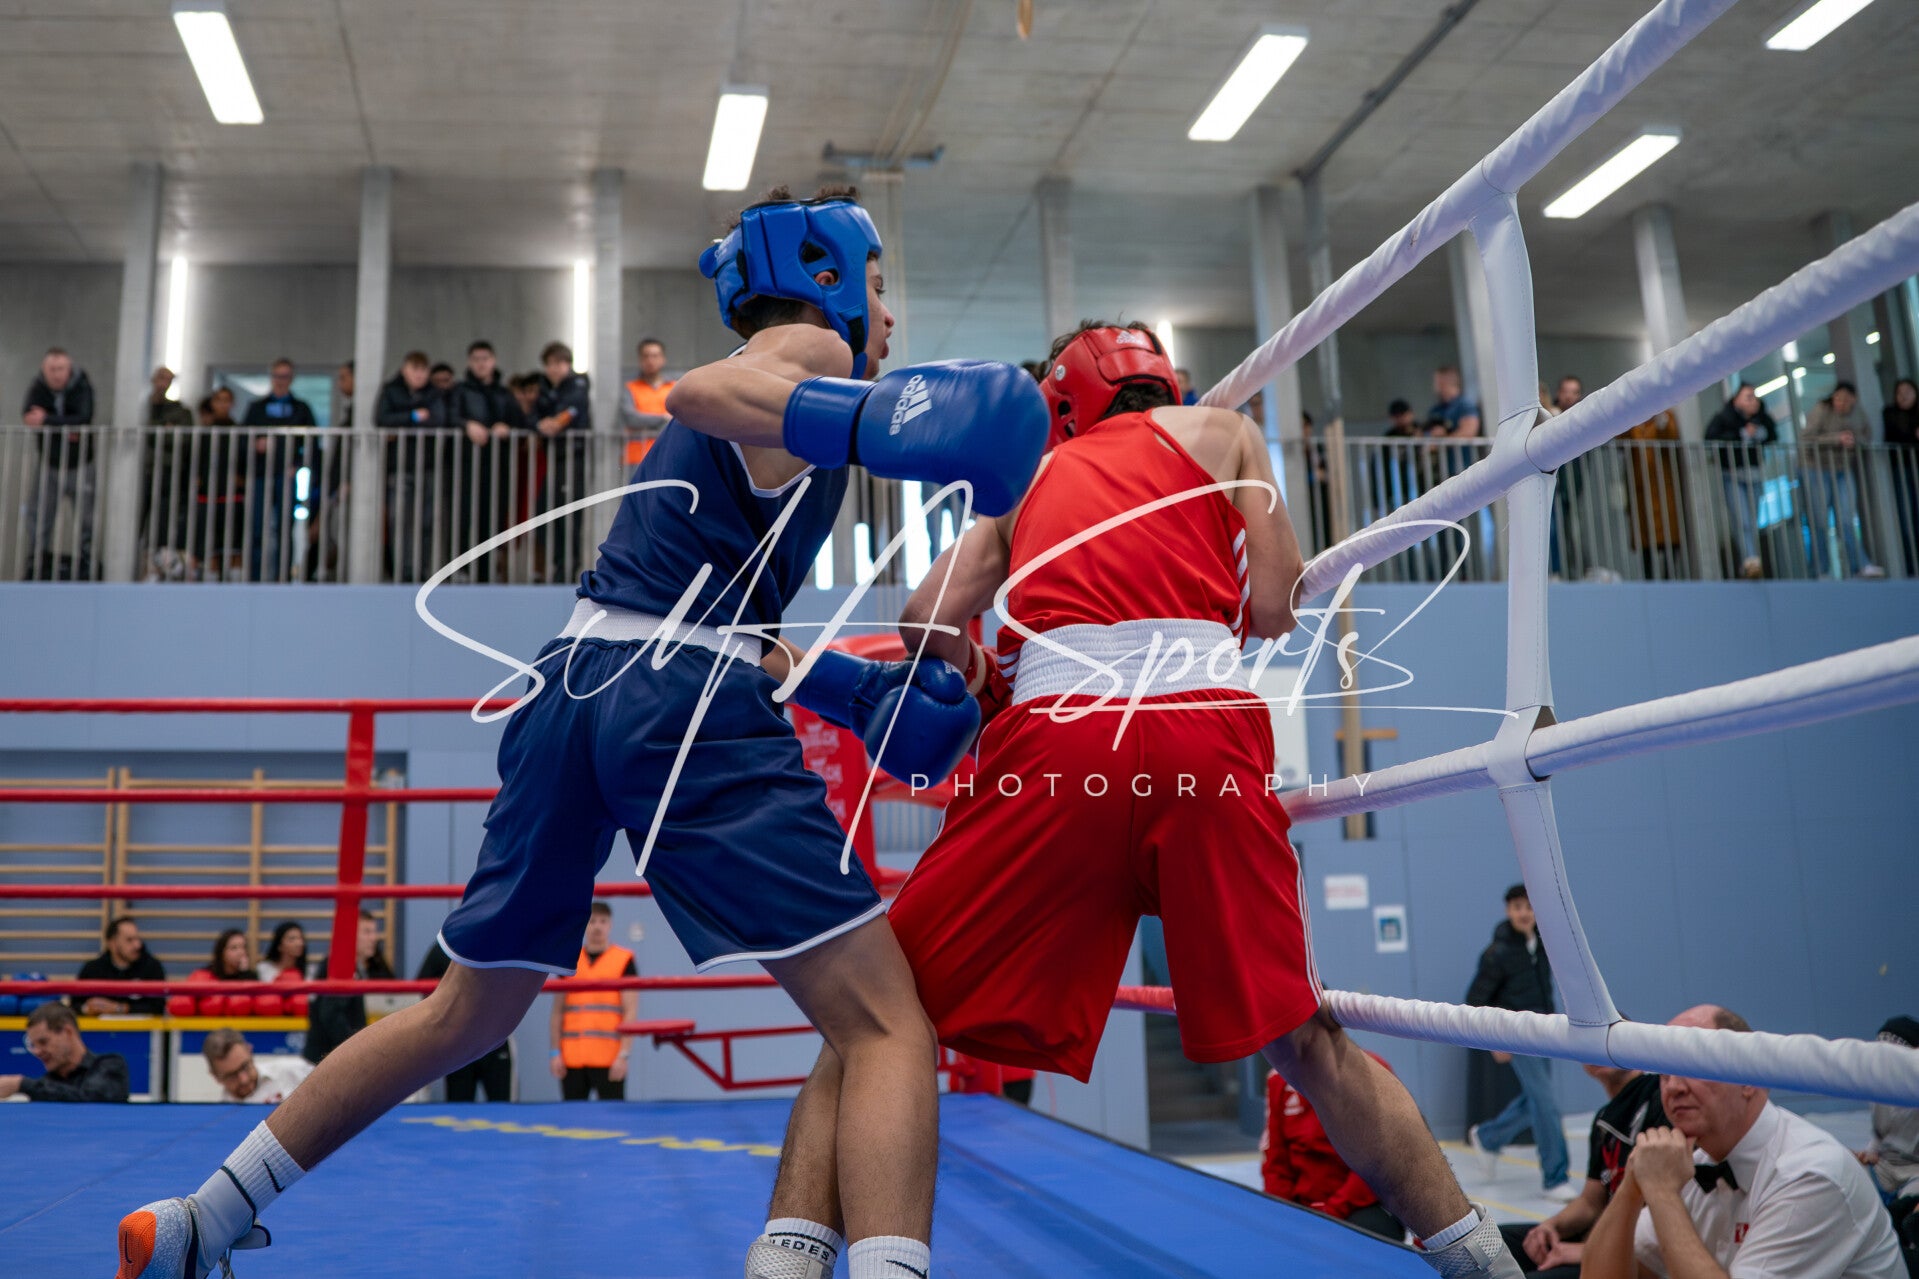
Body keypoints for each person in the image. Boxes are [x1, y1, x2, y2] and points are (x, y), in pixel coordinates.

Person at [112, 183, 1046, 1279]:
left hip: (572, 687)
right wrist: (874, 418)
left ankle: (200, 1217)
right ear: (827, 279)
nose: (890, 314)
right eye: (879, 286)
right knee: (887, 1024)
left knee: (462, 1013)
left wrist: (856, 691)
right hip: (675, 702)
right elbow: (699, 389)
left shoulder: (792, 410)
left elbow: (725, 627)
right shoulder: (809, 354)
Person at [795, 319, 1523, 1278]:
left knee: (880, 1015)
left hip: (1056, 739)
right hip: (1205, 731)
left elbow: (921, 617)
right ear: (1162, 381)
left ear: (1059, 403)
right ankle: (1478, 1256)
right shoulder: (1225, 432)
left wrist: (987, 672)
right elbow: (1276, 606)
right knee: (1307, 1040)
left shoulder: (1024, 477)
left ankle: (808, 1261)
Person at [1583, 1004, 1903, 1279]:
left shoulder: (1810, 1174)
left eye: (1690, 1065)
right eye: (1665, 1072)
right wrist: (1632, 1187)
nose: (1673, 1087)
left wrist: (1663, 1194)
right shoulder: (1691, 1166)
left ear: (1748, 1077)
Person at [1502, 1054, 1667, 1276]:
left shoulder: (1660, 1101)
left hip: (1629, 1254)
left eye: (1608, 1045)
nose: (1599, 1053)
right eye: (1591, 1047)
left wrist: (1586, 1250)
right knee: (1490, 1243)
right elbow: (1590, 1202)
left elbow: (1657, 1222)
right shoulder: (1604, 1118)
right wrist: (1551, 1226)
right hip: (1598, 1237)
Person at [1466, 885, 1575, 1201]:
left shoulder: (1542, 944)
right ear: (1507, 911)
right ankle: (1555, 1177)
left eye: (1529, 907)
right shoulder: (1497, 953)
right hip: (1516, 1035)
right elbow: (1474, 1001)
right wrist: (1494, 1039)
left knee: (1535, 1101)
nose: (1524, 913)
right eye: (1517, 907)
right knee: (1546, 1104)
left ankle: (1488, 1137)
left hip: (1544, 1033)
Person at [1263, 1052, 1404, 1241]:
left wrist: (1330, 1213)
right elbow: (1275, 1163)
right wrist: (1284, 1215)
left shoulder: (1372, 1070)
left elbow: (1375, 1163)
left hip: (1360, 1206)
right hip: (1303, 1207)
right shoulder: (1278, 1079)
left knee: (1365, 1232)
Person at [20, 347, 98, 580]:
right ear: (44, 370)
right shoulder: (38, 386)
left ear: (69, 368)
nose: (56, 374)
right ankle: (37, 561)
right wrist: (65, 425)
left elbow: (83, 417)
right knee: (39, 515)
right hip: (50, 463)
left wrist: (47, 419)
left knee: (86, 518)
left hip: (80, 464)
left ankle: (87, 563)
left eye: (60, 369)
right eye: (51, 370)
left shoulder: (81, 385)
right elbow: (28, 415)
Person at [549, 901, 638, 1101]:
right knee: (572, 1117)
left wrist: (623, 1055)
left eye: (602, 921)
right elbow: (557, 1011)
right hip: (572, 1057)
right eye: (592, 921)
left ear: (610, 925)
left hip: (609, 1058)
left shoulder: (624, 960)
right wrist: (555, 1053)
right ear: (585, 925)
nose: (597, 926)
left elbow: (630, 1011)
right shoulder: (569, 959)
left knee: (614, 1116)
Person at [240, 358, 316, 581]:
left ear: (291, 379)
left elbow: (311, 443)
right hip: (260, 474)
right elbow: (242, 440)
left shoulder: (301, 409)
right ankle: (254, 579)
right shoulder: (257, 408)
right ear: (271, 377)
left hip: (286, 475)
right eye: (277, 376)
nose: (280, 381)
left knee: (284, 529)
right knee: (256, 528)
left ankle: (282, 578)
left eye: (285, 376)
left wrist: (298, 464)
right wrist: (256, 445)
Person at [1801, 381, 1885, 578]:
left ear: (1854, 399)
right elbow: (1806, 438)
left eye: (1846, 399)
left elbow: (1866, 436)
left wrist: (1854, 440)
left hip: (1842, 469)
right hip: (1816, 469)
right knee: (1820, 520)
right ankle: (1821, 570)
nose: (1841, 403)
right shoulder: (1822, 409)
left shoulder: (1858, 414)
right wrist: (1836, 439)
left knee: (1847, 518)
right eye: (1837, 398)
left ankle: (1860, 566)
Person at [376, 351, 448, 581]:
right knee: (400, 521)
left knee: (427, 521)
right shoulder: (391, 390)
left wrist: (403, 421)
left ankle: (422, 570)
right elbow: (382, 419)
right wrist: (414, 416)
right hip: (400, 466)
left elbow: (439, 419)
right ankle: (403, 571)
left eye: (423, 370)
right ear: (404, 370)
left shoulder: (433, 393)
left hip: (428, 466)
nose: (419, 375)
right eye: (414, 369)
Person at [453, 339, 520, 581]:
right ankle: (464, 570)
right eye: (476, 359)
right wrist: (466, 425)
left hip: (498, 468)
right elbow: (448, 416)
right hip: (465, 467)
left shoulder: (504, 394)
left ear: (493, 361)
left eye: (485, 359)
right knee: (464, 517)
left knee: (493, 519)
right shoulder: (460, 391)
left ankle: (488, 572)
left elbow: (521, 420)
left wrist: (507, 427)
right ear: (469, 362)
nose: (481, 364)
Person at [415, 940, 513, 1101]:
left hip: (494, 1040)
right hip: (459, 1042)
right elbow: (421, 988)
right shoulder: (446, 947)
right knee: (458, 1103)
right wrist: (445, 1012)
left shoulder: (502, 946)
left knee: (502, 1105)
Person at [301, 910, 395, 1066]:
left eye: (374, 932)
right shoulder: (341, 966)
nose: (373, 938)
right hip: (327, 1061)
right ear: (350, 934)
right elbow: (330, 1014)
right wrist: (357, 1049)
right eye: (367, 932)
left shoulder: (354, 966)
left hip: (331, 1059)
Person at [532, 340, 592, 581]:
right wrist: (540, 424)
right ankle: (559, 562)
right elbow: (533, 415)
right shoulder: (545, 389)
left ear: (568, 364)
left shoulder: (578, 384)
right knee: (545, 511)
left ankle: (568, 566)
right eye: (550, 364)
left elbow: (573, 410)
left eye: (559, 363)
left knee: (569, 514)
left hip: (572, 458)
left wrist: (556, 423)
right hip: (554, 458)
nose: (554, 369)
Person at [1705, 384, 1777, 579]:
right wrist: (1741, 434)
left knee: (1752, 520)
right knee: (1742, 519)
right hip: (1733, 475)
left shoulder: (1761, 418)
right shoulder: (1724, 417)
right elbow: (1710, 437)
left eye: (1754, 397)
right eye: (1748, 397)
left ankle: (1750, 558)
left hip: (1754, 473)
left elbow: (1773, 433)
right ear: (1736, 399)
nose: (1753, 401)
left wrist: (1759, 433)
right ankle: (1750, 559)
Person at [1859, 1016, 1919, 1250]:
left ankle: (1905, 1237)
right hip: (1884, 1167)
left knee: (1910, 1214)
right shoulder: (1877, 1086)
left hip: (1915, 1171)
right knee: (1848, 1177)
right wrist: (1870, 1151)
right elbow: (1879, 1131)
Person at [0, 1002, 130, 1102]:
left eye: (43, 1042)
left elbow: (94, 1098)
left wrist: (22, 1084)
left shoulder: (109, 1065)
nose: (37, 1052)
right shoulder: (47, 1085)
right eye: (33, 1045)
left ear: (67, 1032)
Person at [76, 916, 168, 1016]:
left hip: (140, 1026)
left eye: (137, 939)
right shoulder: (92, 969)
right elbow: (74, 1006)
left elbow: (158, 1007)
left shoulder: (152, 967)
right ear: (112, 944)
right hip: (101, 1026)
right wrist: (87, 1009)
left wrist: (119, 1008)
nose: (137, 945)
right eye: (129, 940)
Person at [203, 1029, 312, 1105]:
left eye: (245, 1066)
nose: (244, 1079)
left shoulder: (294, 1070)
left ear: (249, 1050)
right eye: (231, 1075)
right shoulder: (221, 1119)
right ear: (215, 1076)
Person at [619, 337, 675, 465]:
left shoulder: (674, 387)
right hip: (637, 456)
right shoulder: (631, 388)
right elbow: (631, 418)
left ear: (663, 359)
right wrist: (663, 418)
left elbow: (679, 419)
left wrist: (645, 422)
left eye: (655, 356)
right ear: (640, 360)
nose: (650, 360)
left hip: (667, 454)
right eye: (646, 356)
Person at [1885, 378, 1918, 574]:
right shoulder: (1890, 414)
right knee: (1908, 517)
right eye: (1899, 392)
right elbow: (1892, 436)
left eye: (1907, 391)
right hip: (1903, 468)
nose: (1903, 396)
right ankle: (1912, 566)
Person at [1429, 364, 1482, 438]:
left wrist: (1444, 439)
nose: (1435, 386)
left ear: (1443, 383)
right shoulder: (1436, 409)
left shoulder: (1465, 405)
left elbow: (1469, 432)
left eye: (1437, 382)